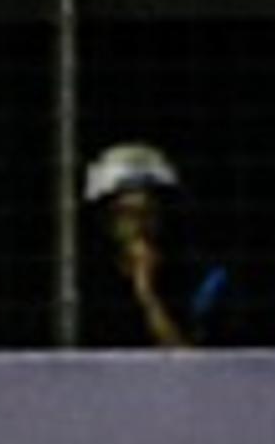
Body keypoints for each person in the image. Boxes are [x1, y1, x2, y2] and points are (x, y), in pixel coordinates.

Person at [83, 141, 234, 349]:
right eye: (127, 213)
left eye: (149, 212)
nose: (140, 225)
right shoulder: (83, 281)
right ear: (105, 220)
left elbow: (195, 370)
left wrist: (147, 294)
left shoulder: (202, 280)